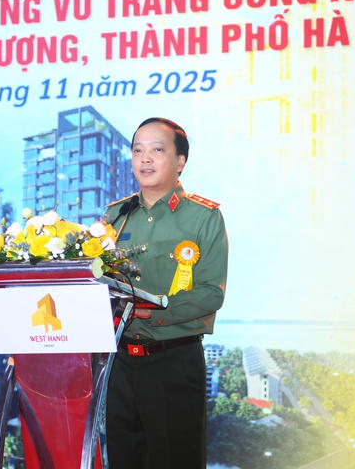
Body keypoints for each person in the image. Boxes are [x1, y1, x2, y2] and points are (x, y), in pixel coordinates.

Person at [104, 117, 228, 469]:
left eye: (157, 150)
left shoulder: (203, 217)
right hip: (120, 363)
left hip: (174, 362)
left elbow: (211, 293)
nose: (145, 159)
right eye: (137, 151)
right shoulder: (116, 217)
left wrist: (154, 312)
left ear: (180, 161)